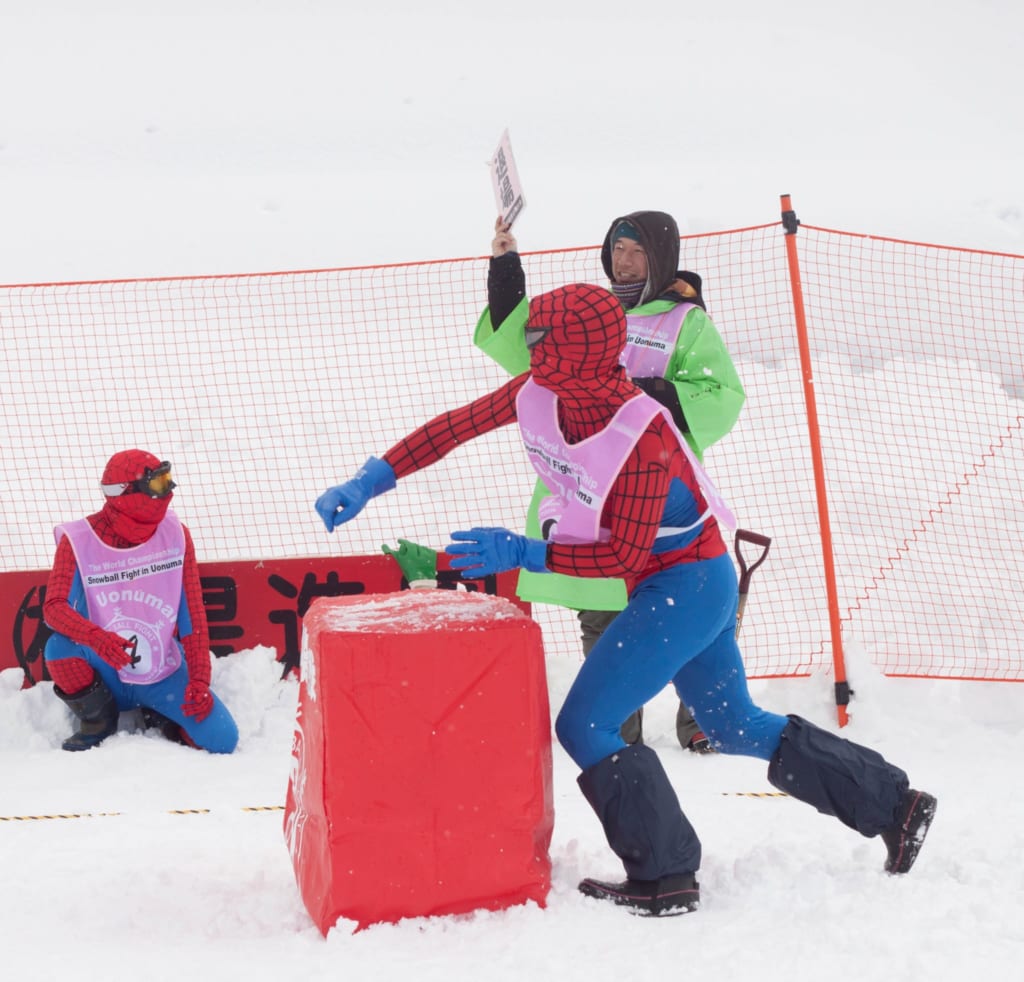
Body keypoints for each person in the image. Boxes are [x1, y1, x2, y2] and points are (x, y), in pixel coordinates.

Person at [314, 283, 937, 917]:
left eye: (541, 339)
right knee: (732, 724)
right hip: (688, 581)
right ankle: (895, 804)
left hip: (686, 585)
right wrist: (371, 479)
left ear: (576, 352)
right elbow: (454, 428)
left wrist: (524, 553)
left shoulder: (644, 440)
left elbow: (621, 560)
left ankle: (665, 873)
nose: (529, 348)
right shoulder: (543, 389)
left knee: (585, 724)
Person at [474, 211, 746, 752]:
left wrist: (653, 393)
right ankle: (617, 737)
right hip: (586, 490)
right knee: (603, 610)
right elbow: (521, 347)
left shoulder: (685, 323)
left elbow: (720, 396)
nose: (623, 261)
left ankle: (706, 726)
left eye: (637, 251)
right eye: (618, 248)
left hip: (659, 491)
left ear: (661, 259)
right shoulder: (587, 314)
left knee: (682, 607)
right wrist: (505, 266)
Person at [43, 449, 238, 754]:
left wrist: (199, 679)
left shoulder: (176, 534)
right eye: (157, 484)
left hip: (160, 668)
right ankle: (98, 720)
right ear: (125, 493)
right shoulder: (78, 540)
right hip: (103, 664)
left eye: (167, 480)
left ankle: (163, 716)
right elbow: (54, 607)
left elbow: (193, 615)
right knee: (58, 649)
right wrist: (97, 638)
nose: (167, 492)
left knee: (223, 739)